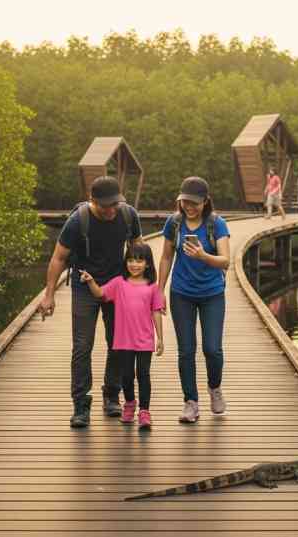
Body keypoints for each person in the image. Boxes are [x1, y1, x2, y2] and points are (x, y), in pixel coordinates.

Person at [38, 176, 142, 428]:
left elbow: (138, 249)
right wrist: (49, 294)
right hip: (84, 285)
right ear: (92, 200)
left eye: (114, 204)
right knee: (82, 346)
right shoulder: (78, 221)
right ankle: (81, 405)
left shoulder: (128, 215)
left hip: (116, 285)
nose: (111, 210)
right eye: (105, 205)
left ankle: (111, 395)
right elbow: (58, 258)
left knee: (117, 342)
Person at [157, 176, 231, 423]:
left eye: (195, 203)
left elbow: (226, 261)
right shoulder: (174, 223)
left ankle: (215, 388)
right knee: (186, 350)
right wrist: (159, 290)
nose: (189, 207)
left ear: (205, 202)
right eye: (185, 202)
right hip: (181, 294)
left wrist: (202, 256)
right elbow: (166, 257)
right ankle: (191, 402)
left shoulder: (216, 224)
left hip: (212, 293)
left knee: (212, 348)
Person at [80, 242, 164, 429]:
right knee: (126, 376)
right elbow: (101, 294)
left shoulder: (153, 287)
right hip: (123, 340)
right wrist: (91, 281)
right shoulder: (119, 283)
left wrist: (160, 338)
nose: (134, 265)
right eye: (131, 260)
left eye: (139, 261)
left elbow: (156, 312)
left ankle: (144, 411)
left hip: (145, 340)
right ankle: (129, 403)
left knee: (143, 374)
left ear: (148, 264)